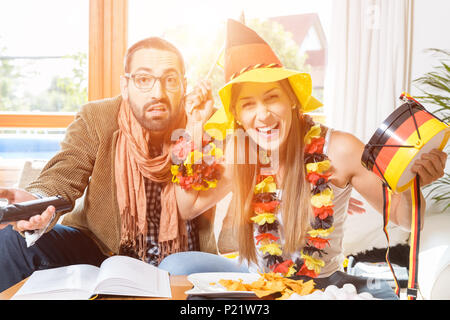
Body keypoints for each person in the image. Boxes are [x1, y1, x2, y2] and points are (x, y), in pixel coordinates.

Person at [159, 19, 448, 300]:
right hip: (256, 281)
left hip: (320, 285)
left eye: (272, 98)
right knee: (175, 267)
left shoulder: (339, 149)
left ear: (292, 100)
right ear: (238, 116)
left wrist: (414, 184)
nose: (263, 116)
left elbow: (406, 218)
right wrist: (195, 126)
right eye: (249, 104)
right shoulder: (242, 152)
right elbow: (189, 207)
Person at [0, 37, 215, 292]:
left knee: (180, 266)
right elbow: (63, 174)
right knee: (11, 241)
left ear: (183, 85)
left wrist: (196, 131)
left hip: (182, 259)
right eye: (144, 80)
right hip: (103, 251)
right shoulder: (98, 118)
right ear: (125, 85)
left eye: (170, 80)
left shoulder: (204, 121)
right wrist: (36, 201)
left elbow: (242, 191)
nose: (158, 93)